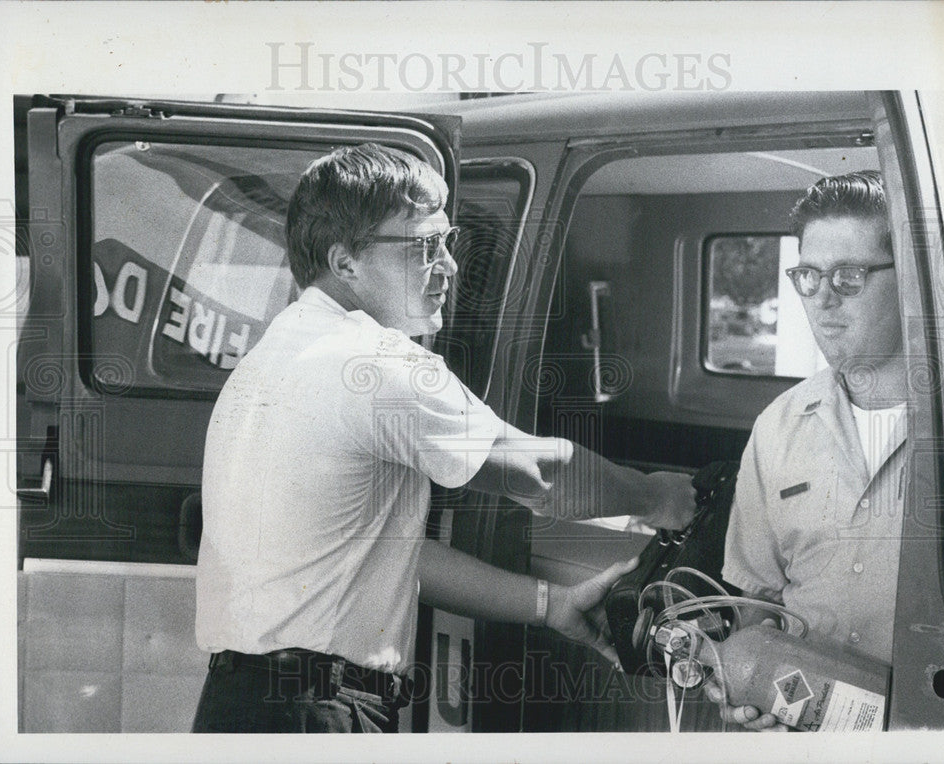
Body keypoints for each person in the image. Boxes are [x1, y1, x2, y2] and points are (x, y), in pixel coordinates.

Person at [192, 143, 697, 733]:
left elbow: (395, 556)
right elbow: (539, 475)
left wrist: (549, 603)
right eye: (424, 246)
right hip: (314, 712)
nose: (450, 266)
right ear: (346, 262)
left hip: (245, 704)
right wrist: (659, 498)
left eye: (446, 242)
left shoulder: (273, 356)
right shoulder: (375, 361)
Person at [706, 170, 908, 731]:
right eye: (808, 276)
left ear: (913, 277)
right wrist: (744, 685)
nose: (822, 300)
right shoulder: (777, 427)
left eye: (848, 277)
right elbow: (756, 600)